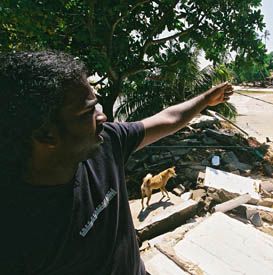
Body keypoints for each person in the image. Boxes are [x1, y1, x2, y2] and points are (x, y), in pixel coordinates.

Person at [0, 51, 233, 274]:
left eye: (97, 106)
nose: (102, 117)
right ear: (46, 135)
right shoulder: (16, 230)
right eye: (87, 112)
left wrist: (205, 99)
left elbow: (168, 118)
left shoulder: (107, 142)